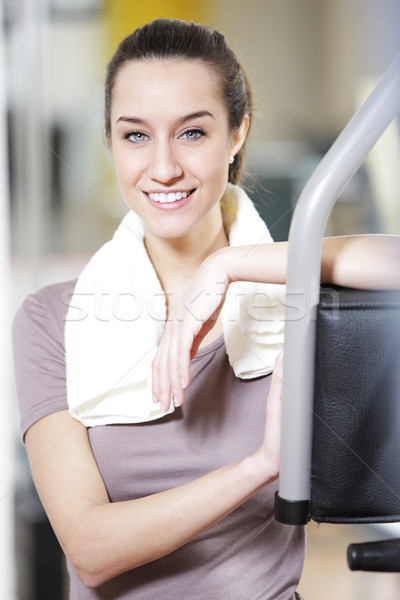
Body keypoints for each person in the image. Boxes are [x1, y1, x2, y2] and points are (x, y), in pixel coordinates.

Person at [12, 18, 400, 600]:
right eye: (136, 136)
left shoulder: (290, 300)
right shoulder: (50, 320)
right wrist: (261, 467)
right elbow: (90, 551)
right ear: (111, 144)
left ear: (237, 133)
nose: (164, 167)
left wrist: (233, 265)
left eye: (192, 133)